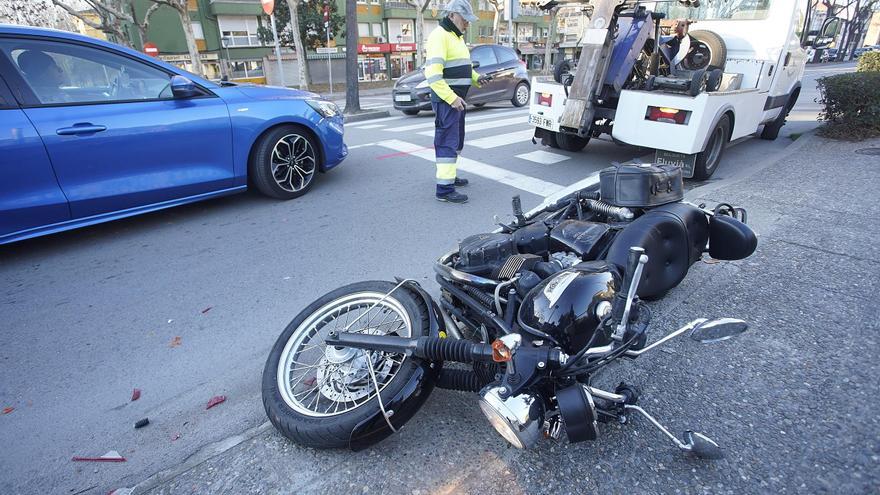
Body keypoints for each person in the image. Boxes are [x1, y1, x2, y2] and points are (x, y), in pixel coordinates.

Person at [423, 0, 491, 204]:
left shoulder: (455, 37)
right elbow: (432, 75)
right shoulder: (439, 36)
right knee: (447, 142)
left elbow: (462, 68)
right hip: (448, 101)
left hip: (456, 100)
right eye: (465, 20)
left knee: (456, 141)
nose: (467, 24)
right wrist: (452, 98)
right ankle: (444, 190)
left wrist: (477, 78)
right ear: (452, 15)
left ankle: (450, 177)